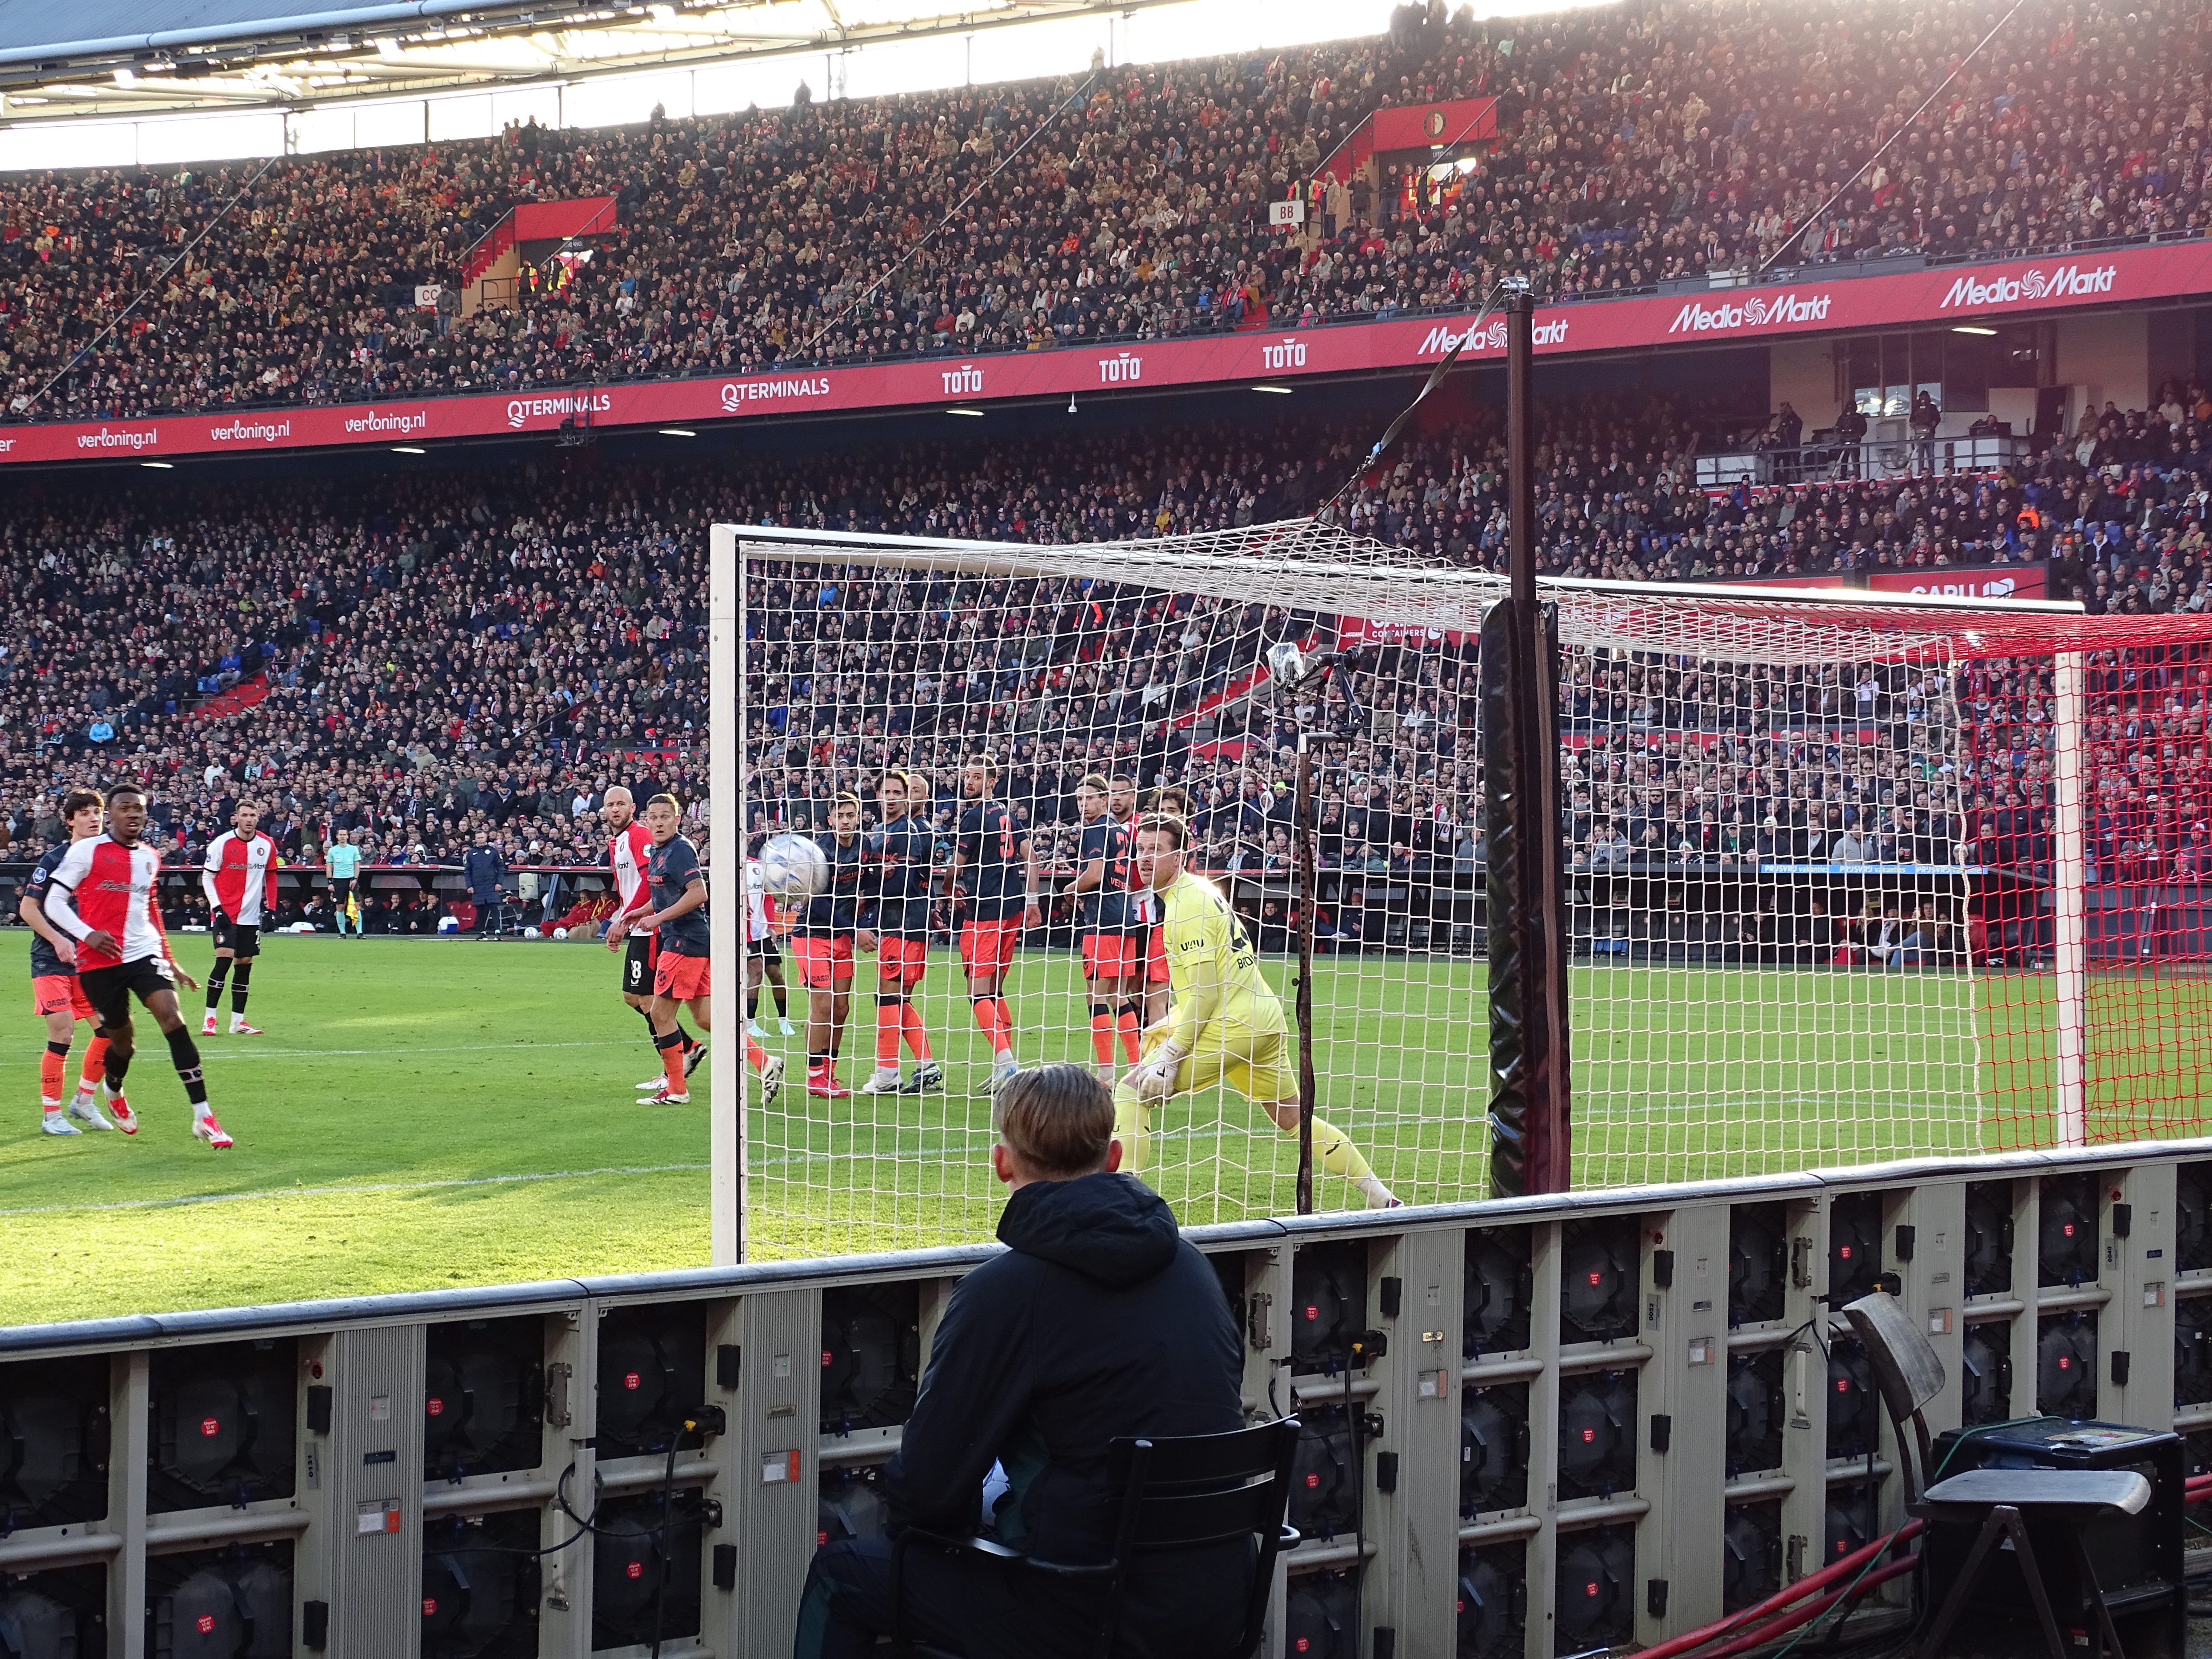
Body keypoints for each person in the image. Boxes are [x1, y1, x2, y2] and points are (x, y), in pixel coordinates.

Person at [793, 1064, 1247, 1659]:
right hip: (1221, 1597)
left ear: (1002, 1163)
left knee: (843, 1572)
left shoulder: (1004, 1292)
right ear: (1113, 1158)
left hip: (1083, 1608)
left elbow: (927, 1491)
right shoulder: (1192, 1269)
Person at [1112, 813, 1396, 1208]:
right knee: (1292, 1117)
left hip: (1232, 1024)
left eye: (1156, 850)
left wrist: (1173, 1054)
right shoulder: (1201, 891)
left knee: (1132, 1090)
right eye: (1140, 849)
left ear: (1180, 856)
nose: (1144, 858)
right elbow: (1212, 983)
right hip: (1264, 1016)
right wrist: (1173, 1020)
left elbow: (1208, 995)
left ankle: (1123, 1204)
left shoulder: (1185, 907)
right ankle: (1381, 1197)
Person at [39, 784, 232, 1150]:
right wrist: (87, 934)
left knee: (173, 1021)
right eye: (124, 808)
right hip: (99, 961)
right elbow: (54, 901)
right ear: (110, 814)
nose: (132, 814)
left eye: (139, 809)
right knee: (122, 1042)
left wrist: (170, 960)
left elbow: (151, 910)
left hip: (143, 954)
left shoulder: (149, 856)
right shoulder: (86, 852)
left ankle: (203, 1116)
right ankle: (113, 1088)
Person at [608, 792, 782, 1108]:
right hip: (694, 942)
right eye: (654, 817)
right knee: (705, 1018)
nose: (659, 823)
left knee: (661, 1013)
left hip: (683, 942)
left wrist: (658, 918)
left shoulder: (679, 851)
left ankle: (676, 1089)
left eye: (665, 817)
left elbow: (698, 894)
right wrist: (638, 912)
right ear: (647, 821)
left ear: (678, 819)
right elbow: (664, 894)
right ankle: (765, 1062)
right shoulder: (660, 851)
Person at [21, 787, 125, 1135]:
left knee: (111, 1032)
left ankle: (83, 1101)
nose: (94, 818)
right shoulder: (54, 860)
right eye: (85, 813)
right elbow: (27, 908)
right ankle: (51, 1115)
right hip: (52, 961)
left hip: (91, 962)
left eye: (97, 812)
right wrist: (58, 939)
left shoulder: (109, 858)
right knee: (63, 1034)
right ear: (70, 821)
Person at [947, 754, 1041, 1094]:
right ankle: (1005, 1062)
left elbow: (956, 867)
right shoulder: (1010, 816)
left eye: (975, 777)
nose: (968, 782)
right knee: (994, 990)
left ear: (991, 781)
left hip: (985, 910)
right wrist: (1032, 901)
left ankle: (1007, 1063)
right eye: (966, 776)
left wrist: (947, 889)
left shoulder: (973, 817)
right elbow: (1031, 857)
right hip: (1012, 907)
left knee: (977, 991)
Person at [605, 786, 703, 1091]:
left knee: (650, 1001)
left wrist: (625, 920)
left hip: (654, 930)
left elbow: (651, 886)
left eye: (622, 804)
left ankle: (677, 1063)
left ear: (633, 809)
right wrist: (624, 917)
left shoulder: (640, 837)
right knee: (634, 997)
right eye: (611, 805)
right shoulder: (618, 841)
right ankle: (686, 1050)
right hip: (641, 923)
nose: (616, 809)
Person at [858, 769, 942, 1096]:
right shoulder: (881, 831)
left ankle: (888, 1071)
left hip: (904, 921)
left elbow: (901, 885)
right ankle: (925, 1063)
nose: (891, 798)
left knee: (888, 995)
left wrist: (869, 887)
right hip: (906, 921)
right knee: (897, 997)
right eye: (886, 793)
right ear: (878, 796)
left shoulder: (907, 832)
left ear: (907, 798)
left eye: (897, 793)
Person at [1067, 774, 1143, 1081]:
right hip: (1126, 916)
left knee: (1095, 995)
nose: (1083, 804)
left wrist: (1070, 890)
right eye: (1079, 799)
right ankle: (1137, 1065)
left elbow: (1095, 874)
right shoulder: (1121, 831)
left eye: (1089, 798)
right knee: (1119, 995)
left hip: (1103, 922)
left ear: (1103, 799)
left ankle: (1106, 1072)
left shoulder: (1096, 830)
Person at [796, 793, 867, 1099]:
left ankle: (829, 1074)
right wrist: (858, 930)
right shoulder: (820, 852)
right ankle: (814, 1077)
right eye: (840, 816)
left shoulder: (865, 847)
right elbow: (822, 903)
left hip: (841, 939)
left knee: (841, 1008)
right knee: (823, 1006)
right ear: (831, 820)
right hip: (812, 934)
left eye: (851, 815)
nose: (846, 821)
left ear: (859, 817)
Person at [201, 800, 276, 1036]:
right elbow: (207, 877)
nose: (249, 819)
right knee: (223, 961)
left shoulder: (266, 844)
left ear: (258, 817)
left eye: (253, 815)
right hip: (226, 915)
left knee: (244, 966)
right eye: (245, 815)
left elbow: (272, 878)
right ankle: (210, 1018)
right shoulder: (221, 844)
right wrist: (218, 908)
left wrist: (271, 909)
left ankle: (238, 1022)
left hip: (251, 917)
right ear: (237, 818)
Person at [743, 854, 797, 1040]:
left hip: (763, 932)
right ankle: (750, 1024)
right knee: (756, 970)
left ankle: (784, 1020)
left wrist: (771, 926)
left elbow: (768, 897)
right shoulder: (726, 867)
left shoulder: (758, 866)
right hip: (744, 932)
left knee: (776, 974)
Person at [466, 835, 510, 938]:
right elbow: (467, 871)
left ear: (485, 838)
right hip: (477, 886)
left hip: (491, 885)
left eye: (482, 837)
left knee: (494, 908)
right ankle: (483, 933)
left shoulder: (493, 852)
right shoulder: (471, 853)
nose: (480, 839)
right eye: (478, 838)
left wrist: (499, 883)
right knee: (480, 910)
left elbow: (500, 868)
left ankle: (498, 932)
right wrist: (469, 885)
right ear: (476, 839)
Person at [327, 827, 364, 938]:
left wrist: (355, 879)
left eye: (345, 835)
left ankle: (360, 933)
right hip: (338, 880)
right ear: (337, 837)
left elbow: (356, 865)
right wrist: (330, 882)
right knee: (340, 907)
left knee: (356, 906)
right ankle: (343, 933)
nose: (343, 837)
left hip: (351, 879)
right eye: (341, 835)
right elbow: (329, 867)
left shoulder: (353, 849)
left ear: (348, 836)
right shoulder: (333, 850)